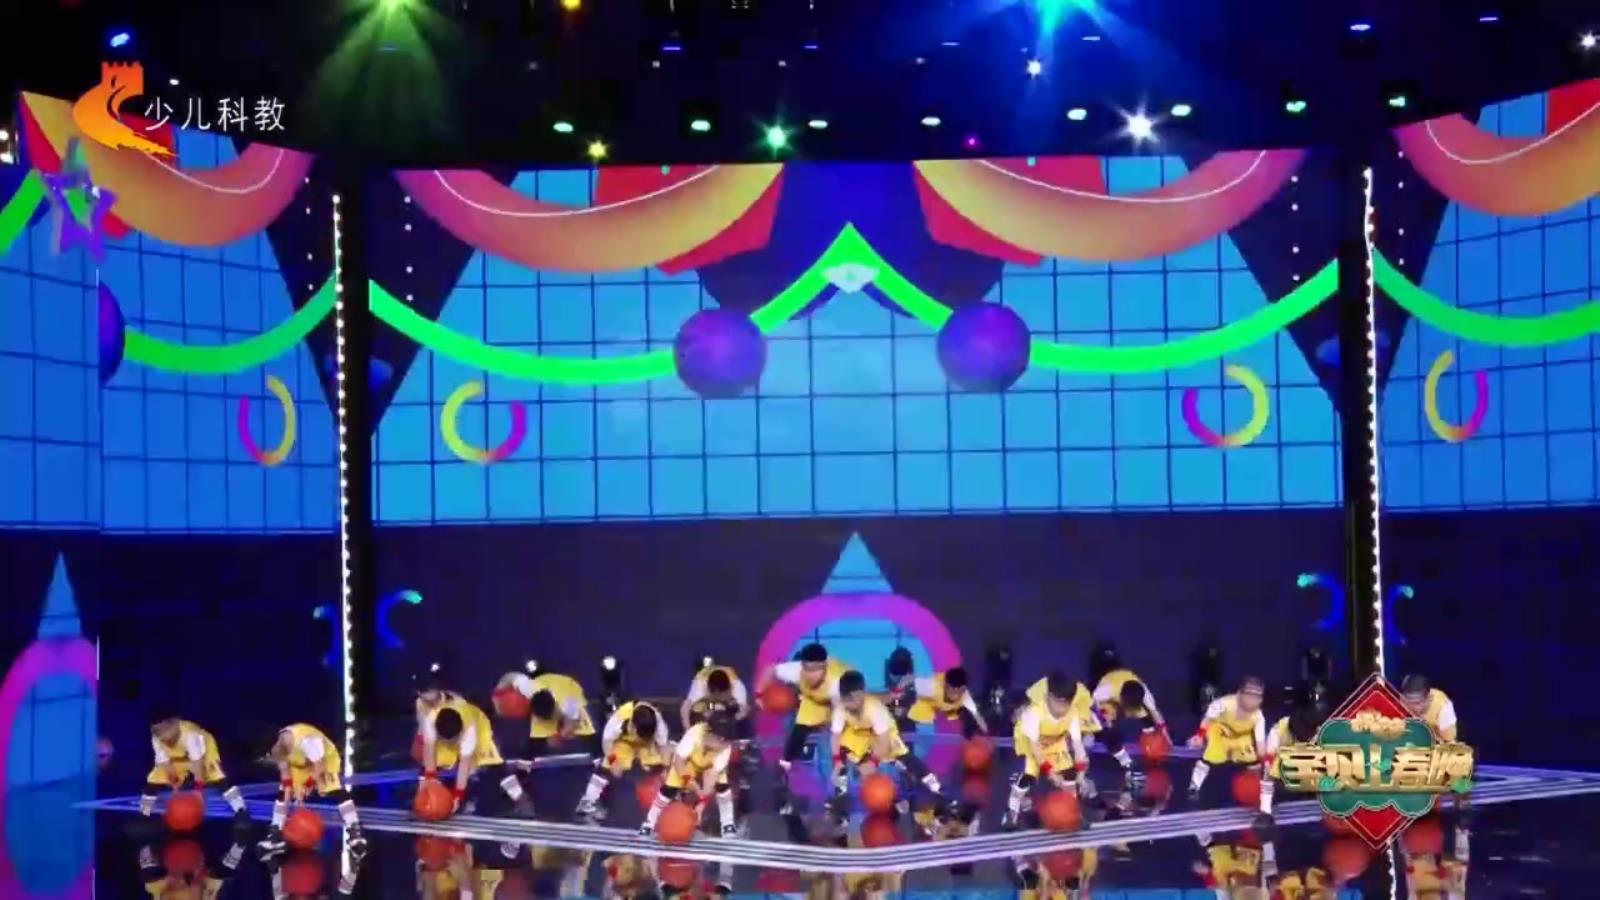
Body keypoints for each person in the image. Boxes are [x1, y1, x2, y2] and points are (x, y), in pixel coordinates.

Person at [830, 670, 947, 818]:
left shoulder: (875, 710)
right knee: (844, 748)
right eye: (847, 700)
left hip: (885, 735)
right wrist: (837, 762)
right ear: (842, 697)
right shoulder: (840, 709)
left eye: (855, 699)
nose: (851, 704)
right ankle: (841, 790)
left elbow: (884, 742)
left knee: (903, 757)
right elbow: (835, 736)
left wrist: (873, 761)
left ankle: (935, 786)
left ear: (862, 694)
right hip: (861, 733)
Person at [258, 723, 367, 856]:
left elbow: (319, 768)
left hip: (323, 761)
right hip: (302, 764)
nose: (272, 759)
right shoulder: (280, 749)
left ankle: (355, 831)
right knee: (282, 791)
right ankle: (276, 834)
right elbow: (286, 775)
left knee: (334, 790)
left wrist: (307, 786)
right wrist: (289, 798)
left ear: (277, 745)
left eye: (270, 755)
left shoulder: (307, 740)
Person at [753, 643, 848, 789]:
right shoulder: (797, 671)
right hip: (815, 701)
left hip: (841, 703)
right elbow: (770, 670)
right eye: (807, 669)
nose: (810, 675)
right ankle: (784, 770)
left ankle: (840, 783)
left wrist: (836, 756)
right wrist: (758, 694)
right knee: (798, 730)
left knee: (837, 742)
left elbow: (837, 728)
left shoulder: (837, 683)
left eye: (816, 670)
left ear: (825, 666)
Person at [1005, 673, 1091, 830]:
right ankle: (1012, 812)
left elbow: (1078, 745)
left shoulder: (1072, 713)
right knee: (1027, 777)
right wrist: (1050, 773)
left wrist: (1081, 771)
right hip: (1030, 746)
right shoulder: (1034, 713)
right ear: (1048, 696)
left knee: (1070, 775)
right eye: (1058, 703)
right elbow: (1035, 749)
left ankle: (1074, 812)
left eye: (1066, 704)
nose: (1061, 709)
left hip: (1055, 743)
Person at [421, 696, 533, 817]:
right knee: (432, 764)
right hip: (444, 734)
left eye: (454, 740)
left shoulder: (470, 731)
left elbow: (464, 766)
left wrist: (458, 796)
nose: (452, 744)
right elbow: (429, 751)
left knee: (495, 766)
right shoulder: (430, 720)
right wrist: (429, 780)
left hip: (479, 726)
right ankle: (423, 796)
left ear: (460, 733)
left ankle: (521, 799)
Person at [640, 711, 739, 838]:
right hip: (687, 764)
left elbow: (712, 776)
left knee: (723, 788)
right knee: (668, 789)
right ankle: (649, 823)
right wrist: (689, 782)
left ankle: (728, 824)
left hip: (708, 767)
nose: (726, 745)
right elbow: (679, 761)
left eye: (727, 742)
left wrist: (701, 802)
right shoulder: (694, 734)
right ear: (712, 735)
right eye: (723, 741)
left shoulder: (725, 748)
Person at [575, 699, 672, 822]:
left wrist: (666, 768)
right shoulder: (620, 718)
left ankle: (663, 802)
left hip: (647, 744)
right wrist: (613, 762)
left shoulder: (658, 723)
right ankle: (587, 801)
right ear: (633, 726)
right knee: (609, 767)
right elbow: (607, 742)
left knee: (659, 768)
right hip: (624, 742)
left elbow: (663, 746)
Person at [140, 715, 249, 823]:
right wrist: (174, 781)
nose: (162, 735)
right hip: (178, 756)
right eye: (158, 732)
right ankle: (144, 813)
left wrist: (199, 790)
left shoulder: (190, 734)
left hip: (204, 752)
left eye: (165, 730)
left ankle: (241, 810)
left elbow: (197, 762)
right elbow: (164, 761)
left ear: (175, 723)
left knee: (219, 778)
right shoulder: (157, 738)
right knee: (153, 781)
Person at [1186, 676, 1267, 798]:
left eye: (1257, 696)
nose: (1253, 699)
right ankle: (1194, 786)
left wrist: (1265, 762)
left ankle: (1253, 789)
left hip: (1241, 738)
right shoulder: (1222, 704)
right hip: (1220, 733)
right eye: (1249, 694)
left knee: (1254, 763)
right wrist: (1199, 736)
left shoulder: (1258, 717)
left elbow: (1261, 745)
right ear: (1239, 693)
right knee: (1209, 757)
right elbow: (1208, 720)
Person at [499, 666, 599, 758]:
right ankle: (523, 765)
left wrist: (560, 736)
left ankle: (599, 758)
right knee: (534, 744)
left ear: (556, 708)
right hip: (543, 683)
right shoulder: (529, 688)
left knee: (590, 739)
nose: (550, 721)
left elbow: (572, 723)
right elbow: (510, 676)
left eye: (551, 717)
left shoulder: (570, 700)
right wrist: (497, 692)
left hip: (567, 686)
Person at [1092, 668, 1169, 779]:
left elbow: (1154, 712)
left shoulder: (1145, 694)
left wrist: (1165, 735)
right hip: (1109, 702)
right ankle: (1126, 763)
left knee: (1148, 719)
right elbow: (1093, 702)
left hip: (1128, 698)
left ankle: (1150, 746)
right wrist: (1103, 718)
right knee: (1106, 730)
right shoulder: (1106, 691)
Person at [1260, 698, 1327, 816]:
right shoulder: (1277, 733)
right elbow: (1268, 771)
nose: (1307, 735)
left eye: (1310, 732)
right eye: (1304, 732)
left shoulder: (1320, 732)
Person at [906, 666, 989, 739]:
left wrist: (987, 734)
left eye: (960, 692)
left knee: (963, 714)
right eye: (953, 691)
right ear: (946, 686)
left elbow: (977, 716)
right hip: (925, 704)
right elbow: (910, 679)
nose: (956, 696)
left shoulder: (965, 696)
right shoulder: (930, 687)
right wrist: (899, 690)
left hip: (945, 709)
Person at [681, 662, 751, 732]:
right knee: (704, 713)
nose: (719, 699)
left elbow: (744, 710)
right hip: (707, 699)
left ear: (729, 690)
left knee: (734, 714)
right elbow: (684, 709)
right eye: (716, 697)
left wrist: (732, 720)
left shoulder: (737, 687)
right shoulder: (700, 685)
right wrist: (687, 730)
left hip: (727, 701)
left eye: (722, 697)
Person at [1401, 675, 1459, 741]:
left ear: (1429, 698)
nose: (1411, 707)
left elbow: (1449, 742)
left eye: (1417, 703)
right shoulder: (1403, 699)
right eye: (1408, 702)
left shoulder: (1443, 708)